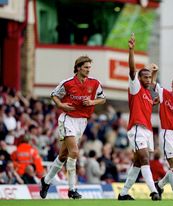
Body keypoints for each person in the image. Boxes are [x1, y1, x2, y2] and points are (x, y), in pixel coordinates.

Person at [39, 56, 106, 199]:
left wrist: (93, 101)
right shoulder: (67, 83)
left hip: (82, 122)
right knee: (74, 152)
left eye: (89, 67)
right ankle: (72, 189)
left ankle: (46, 181)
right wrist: (61, 105)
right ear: (78, 67)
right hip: (68, 119)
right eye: (86, 67)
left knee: (63, 155)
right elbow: (54, 95)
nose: (88, 70)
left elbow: (103, 98)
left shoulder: (94, 83)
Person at [117, 33, 160, 201]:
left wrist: (153, 74)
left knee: (137, 162)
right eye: (145, 77)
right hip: (136, 128)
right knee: (144, 157)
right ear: (139, 78)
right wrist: (131, 50)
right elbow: (132, 69)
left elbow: (148, 99)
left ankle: (123, 193)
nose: (148, 79)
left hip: (147, 131)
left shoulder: (148, 95)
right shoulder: (135, 87)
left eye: (150, 77)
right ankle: (153, 191)